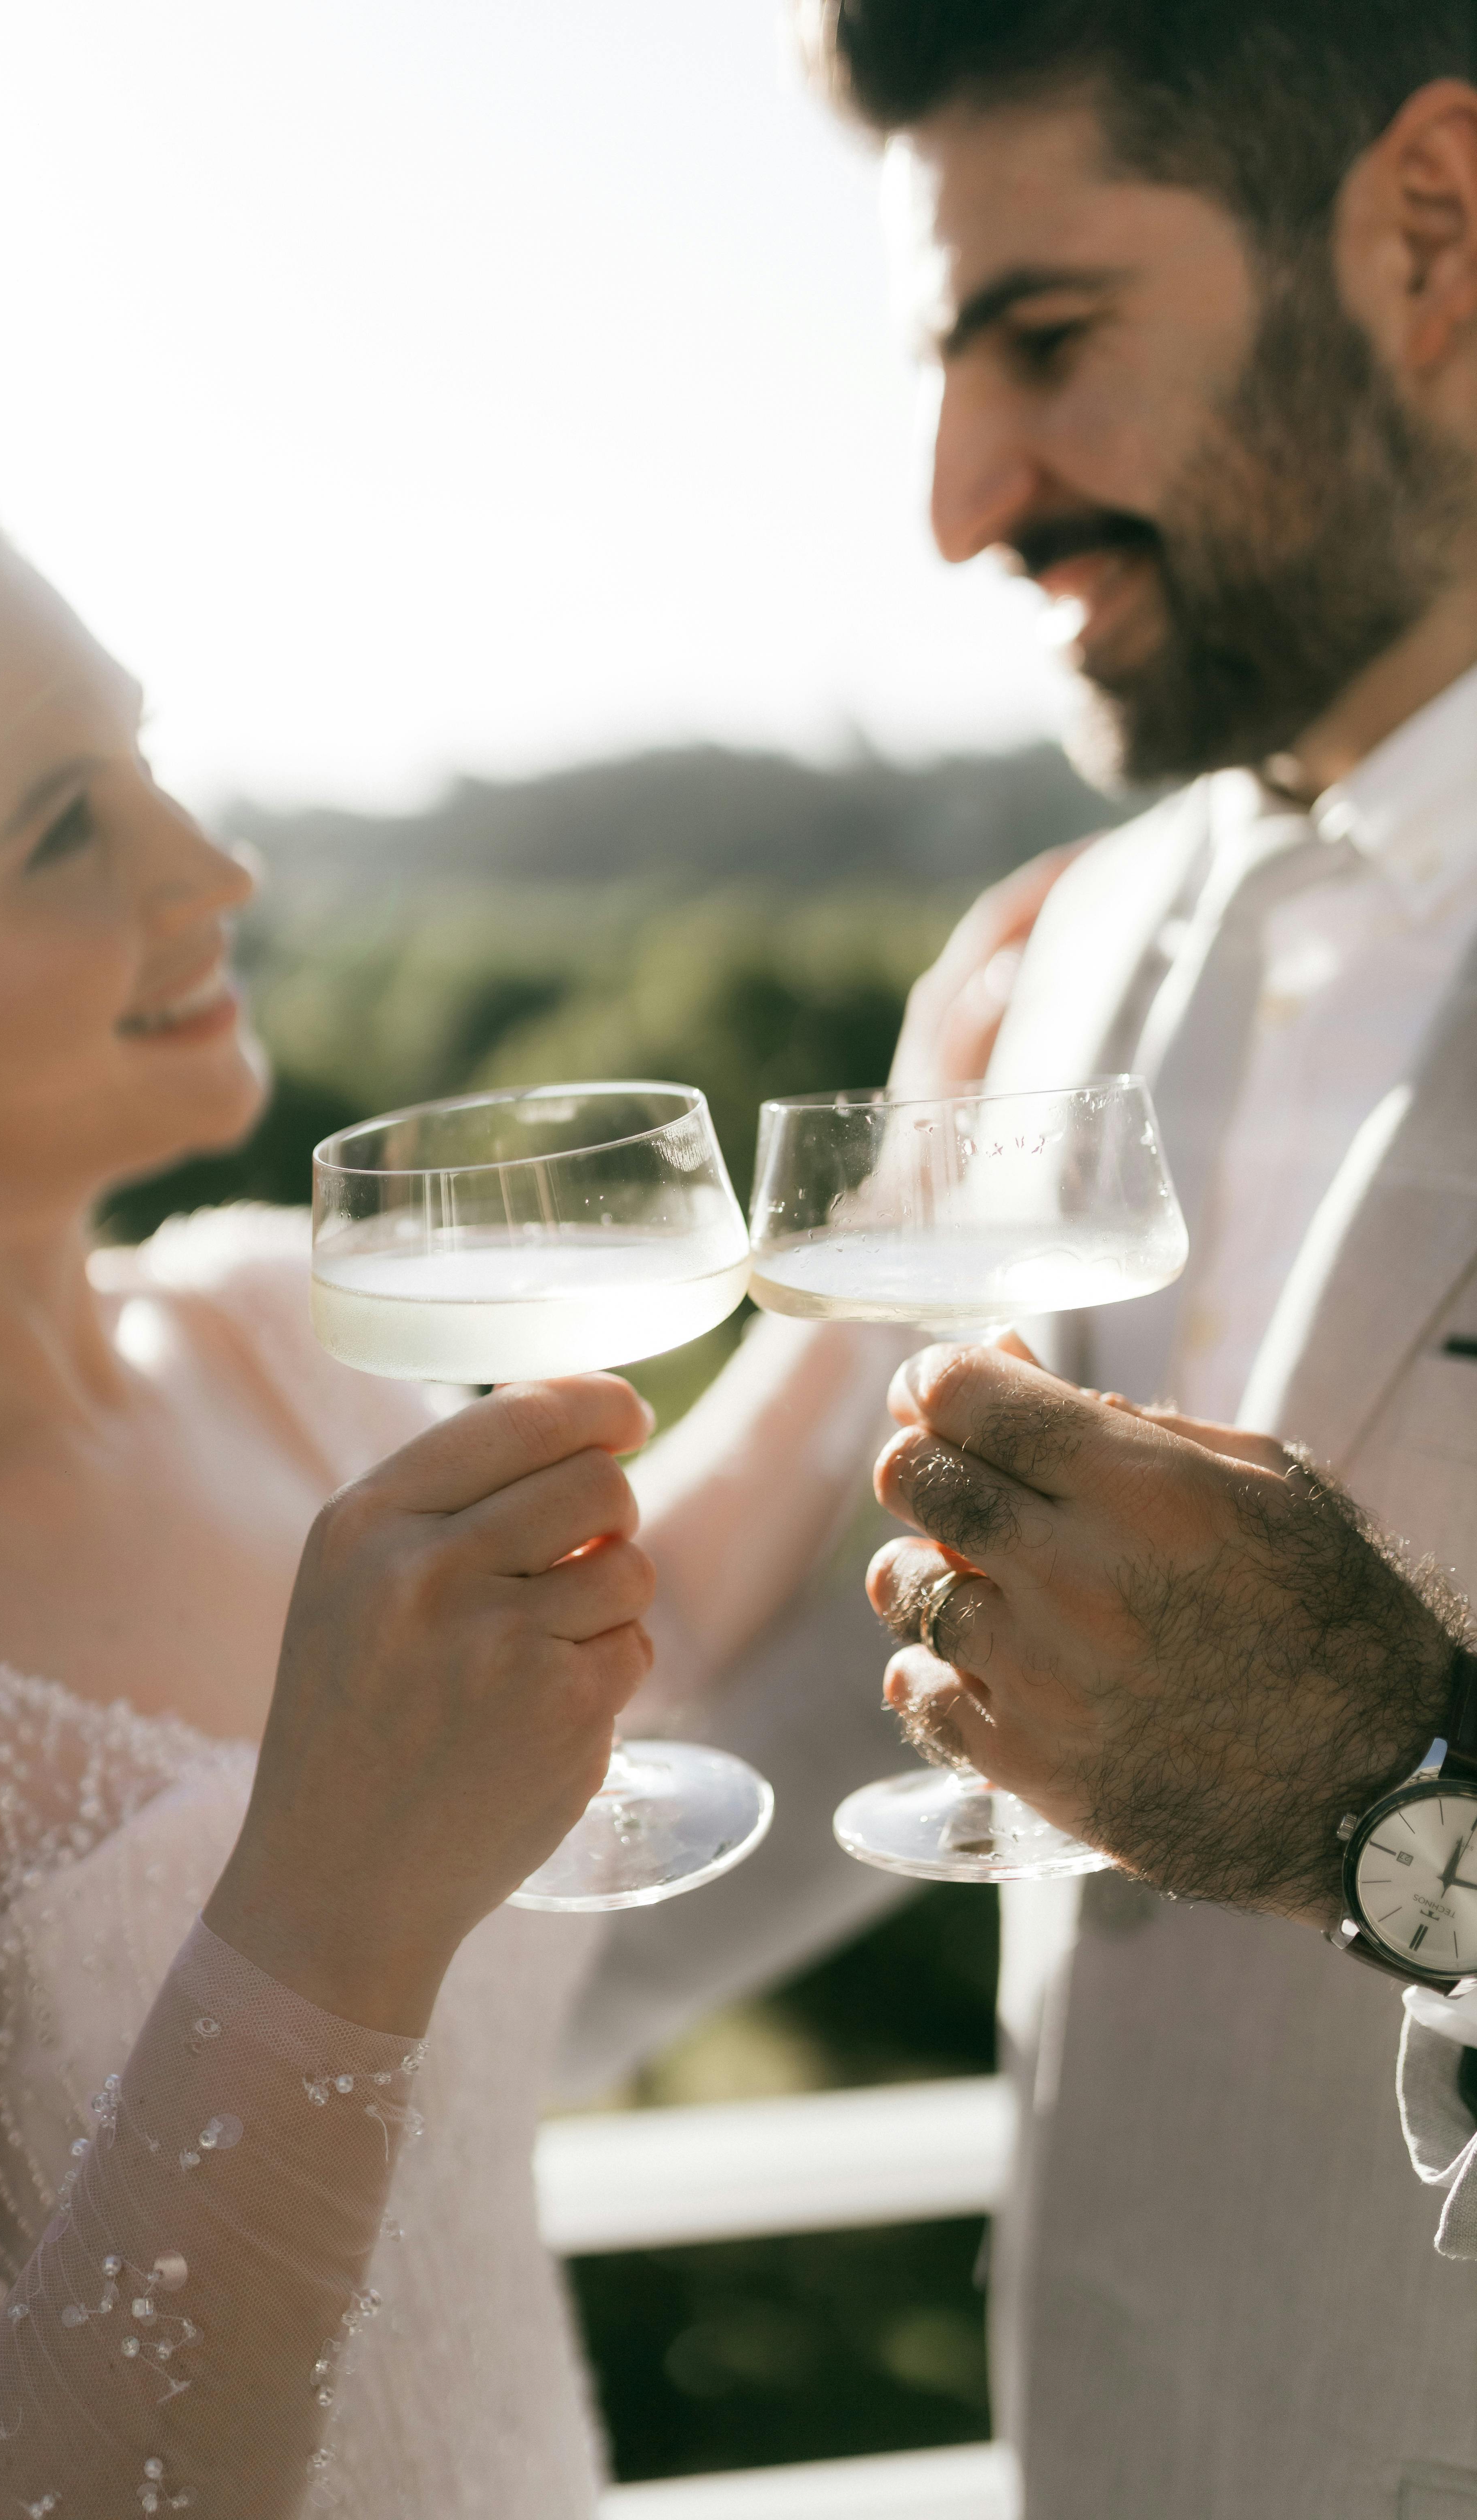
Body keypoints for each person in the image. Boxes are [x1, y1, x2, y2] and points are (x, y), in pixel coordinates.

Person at [0, 440, 917, 2517]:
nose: (210, 870)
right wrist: (335, 1897)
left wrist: (905, 1224)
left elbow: (654, 1601)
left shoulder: (273, 1333)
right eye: (64, 828)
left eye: (145, 759)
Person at [784, 3, 1477, 2513]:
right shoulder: (1056, 959)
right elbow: (806, 1685)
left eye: (1047, 340)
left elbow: (1321, 1767)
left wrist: (1404, 1789)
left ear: (1427, 233)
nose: (967, 500)